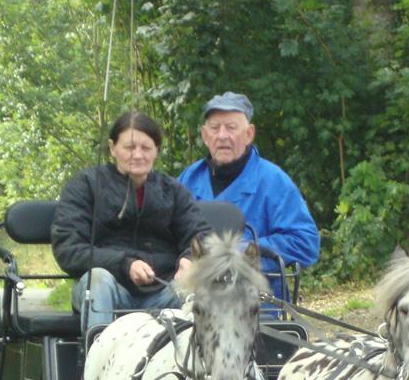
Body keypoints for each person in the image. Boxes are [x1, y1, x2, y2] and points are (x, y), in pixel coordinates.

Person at [51, 110, 210, 337]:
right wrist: (125, 264)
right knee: (97, 279)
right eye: (129, 147)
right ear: (113, 148)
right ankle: (97, 360)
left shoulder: (173, 191)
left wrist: (189, 259)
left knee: (199, 288)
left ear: (157, 151)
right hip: (107, 290)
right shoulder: (85, 185)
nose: (138, 155)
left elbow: (200, 235)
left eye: (146, 148)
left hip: (163, 291)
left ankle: (200, 369)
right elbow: (68, 248)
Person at [178, 91, 320, 301]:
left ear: (249, 133)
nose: (222, 135)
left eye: (231, 128)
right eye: (215, 128)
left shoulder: (273, 180)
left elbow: (305, 242)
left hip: (256, 303)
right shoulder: (188, 179)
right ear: (205, 135)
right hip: (193, 301)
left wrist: (244, 251)